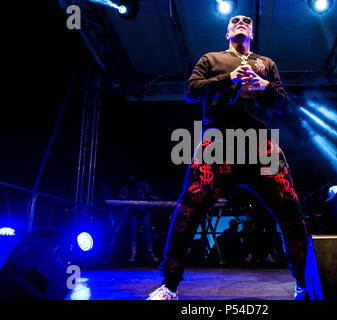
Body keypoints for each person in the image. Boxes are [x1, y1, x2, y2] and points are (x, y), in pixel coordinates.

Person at [148, 15, 308, 300]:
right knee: (188, 210)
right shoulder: (211, 59)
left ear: (252, 32)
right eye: (235, 21)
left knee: (291, 211)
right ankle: (169, 286)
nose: (242, 21)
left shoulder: (266, 64)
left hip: (261, 146)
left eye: (247, 21)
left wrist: (265, 87)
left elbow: (285, 105)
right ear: (227, 32)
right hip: (218, 144)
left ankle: (304, 283)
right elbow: (190, 91)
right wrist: (228, 78)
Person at [118, 174, 159, 263]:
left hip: (145, 211)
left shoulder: (143, 184)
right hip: (133, 212)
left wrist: (156, 199)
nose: (131, 177)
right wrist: (128, 198)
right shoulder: (127, 186)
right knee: (133, 233)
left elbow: (150, 195)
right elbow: (120, 195)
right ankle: (133, 254)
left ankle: (150, 253)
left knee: (148, 232)